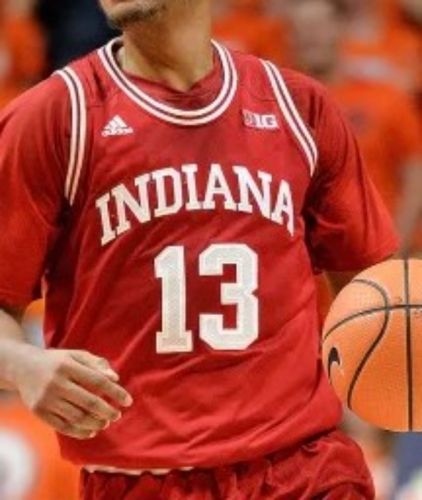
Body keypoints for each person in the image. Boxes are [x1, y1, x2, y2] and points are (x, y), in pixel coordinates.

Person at [0, 0, 399, 498]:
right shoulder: (56, 117)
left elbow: (374, 297)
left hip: (304, 469)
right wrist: (21, 364)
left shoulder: (298, 107)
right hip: (143, 480)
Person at [289, 0, 422, 255]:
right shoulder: (275, 107)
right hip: (307, 258)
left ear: (340, 28)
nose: (310, 36)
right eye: (300, 29)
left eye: (318, 26)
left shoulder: (386, 97)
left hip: (380, 250)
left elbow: (416, 175)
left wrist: (395, 249)